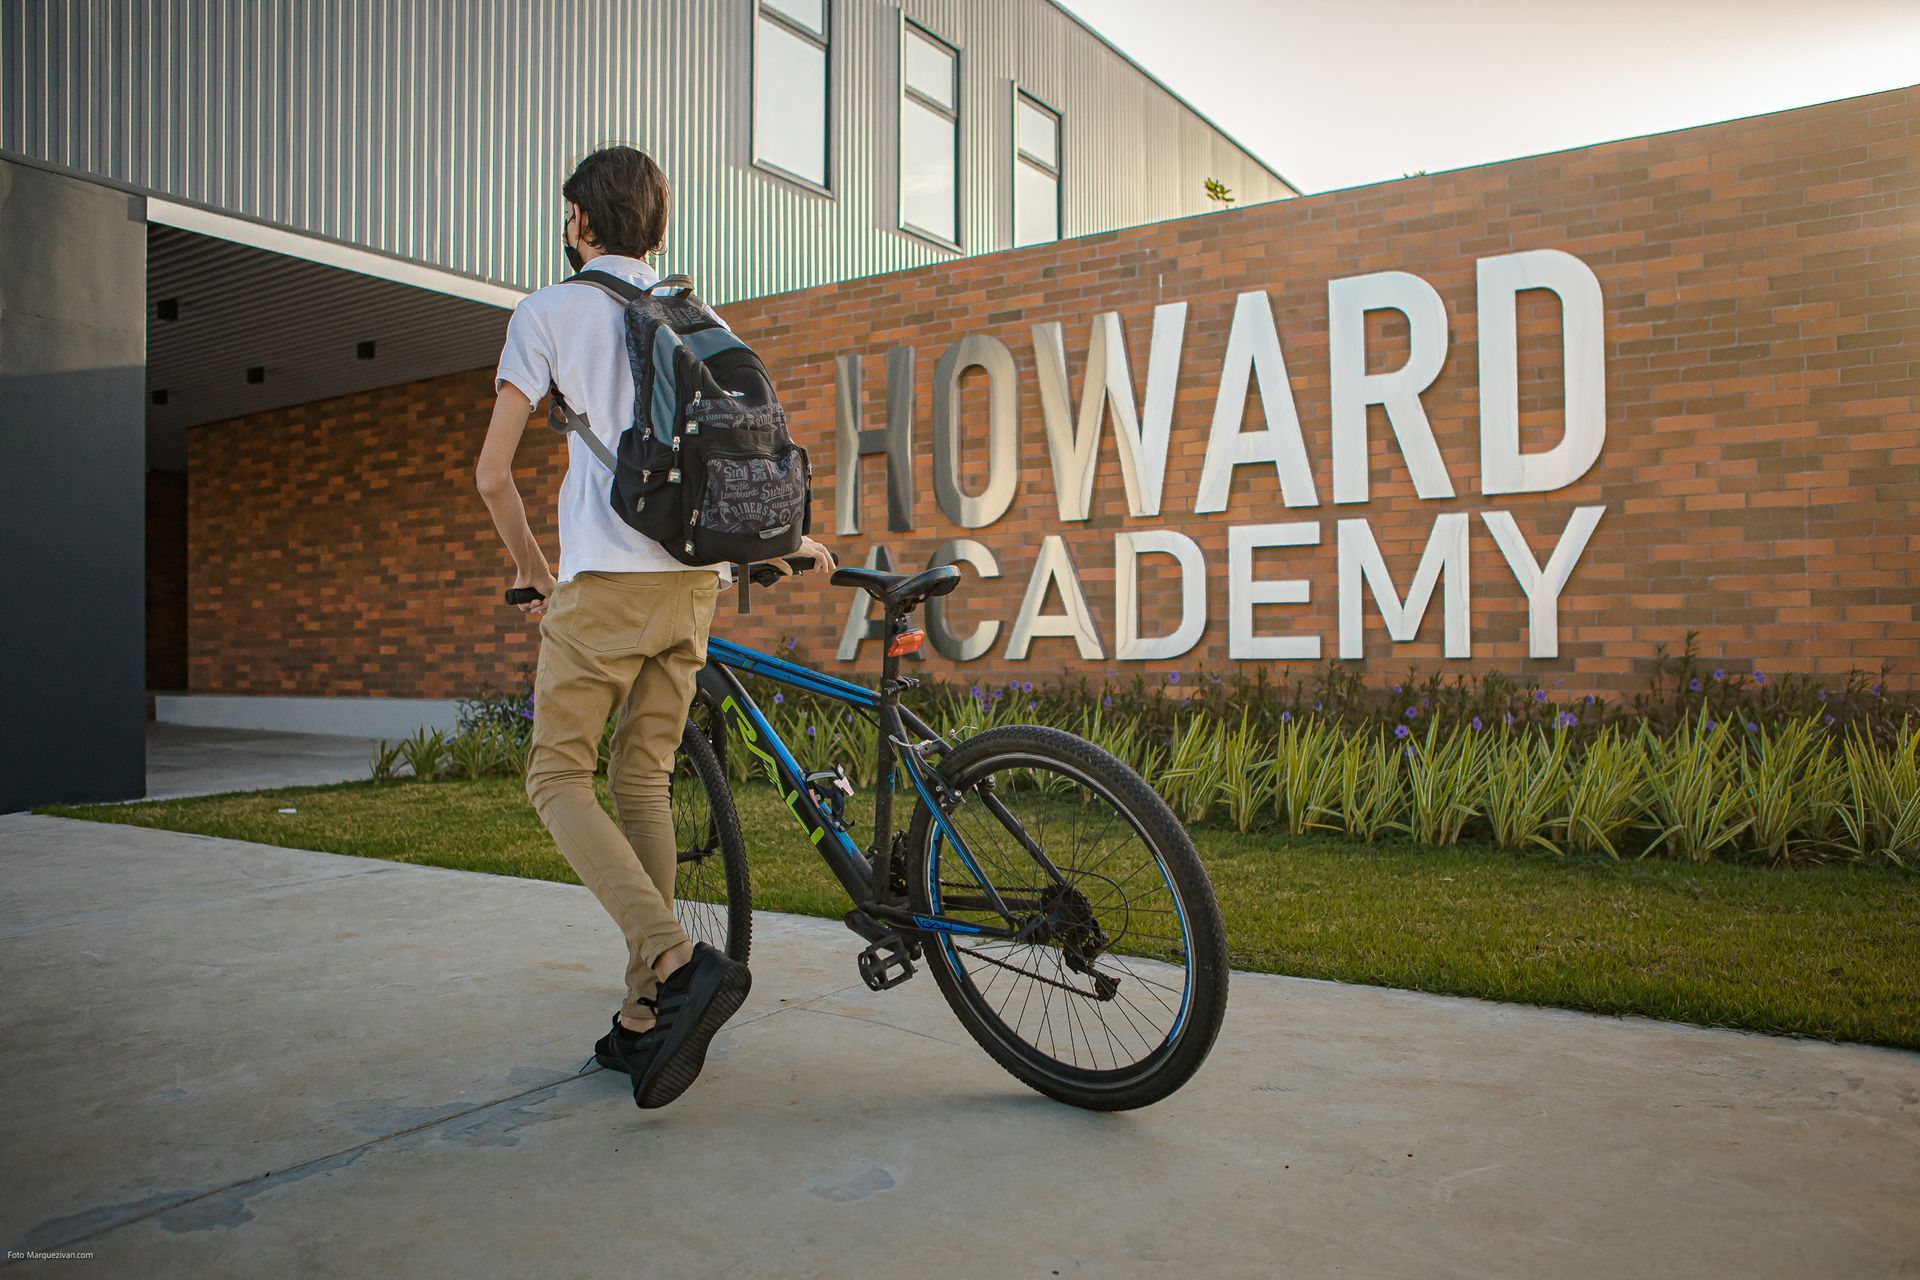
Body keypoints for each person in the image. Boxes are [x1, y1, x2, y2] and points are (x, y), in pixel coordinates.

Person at [477, 145, 834, 1109]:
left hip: (601, 582)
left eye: (568, 216)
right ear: (656, 230)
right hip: (693, 588)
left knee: (556, 777)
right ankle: (645, 1017)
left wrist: (531, 574)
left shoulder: (546, 313)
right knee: (641, 778)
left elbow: (492, 473)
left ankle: (674, 959)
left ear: (582, 224)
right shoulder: (698, 315)